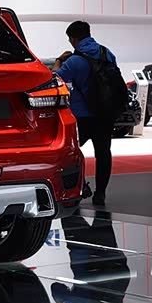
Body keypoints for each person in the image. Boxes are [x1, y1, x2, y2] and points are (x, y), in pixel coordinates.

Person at [53, 21, 117, 206]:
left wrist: (58, 61)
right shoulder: (107, 53)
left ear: (73, 39)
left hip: (81, 115)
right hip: (105, 113)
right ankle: (100, 194)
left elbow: (55, 79)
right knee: (103, 154)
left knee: (71, 154)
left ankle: (78, 189)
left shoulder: (74, 61)